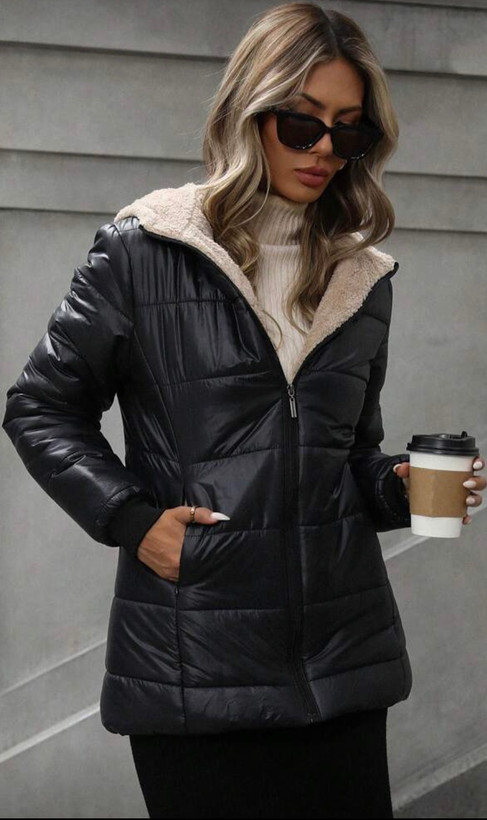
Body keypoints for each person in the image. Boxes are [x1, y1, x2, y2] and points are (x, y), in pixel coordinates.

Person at [3, 3, 485, 818]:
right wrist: (132, 519)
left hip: (340, 662)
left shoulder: (362, 278)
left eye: (348, 129)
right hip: (195, 662)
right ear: (248, 114)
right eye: (301, 123)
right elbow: (40, 405)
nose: (324, 148)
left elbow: (344, 456)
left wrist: (398, 485)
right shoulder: (144, 248)